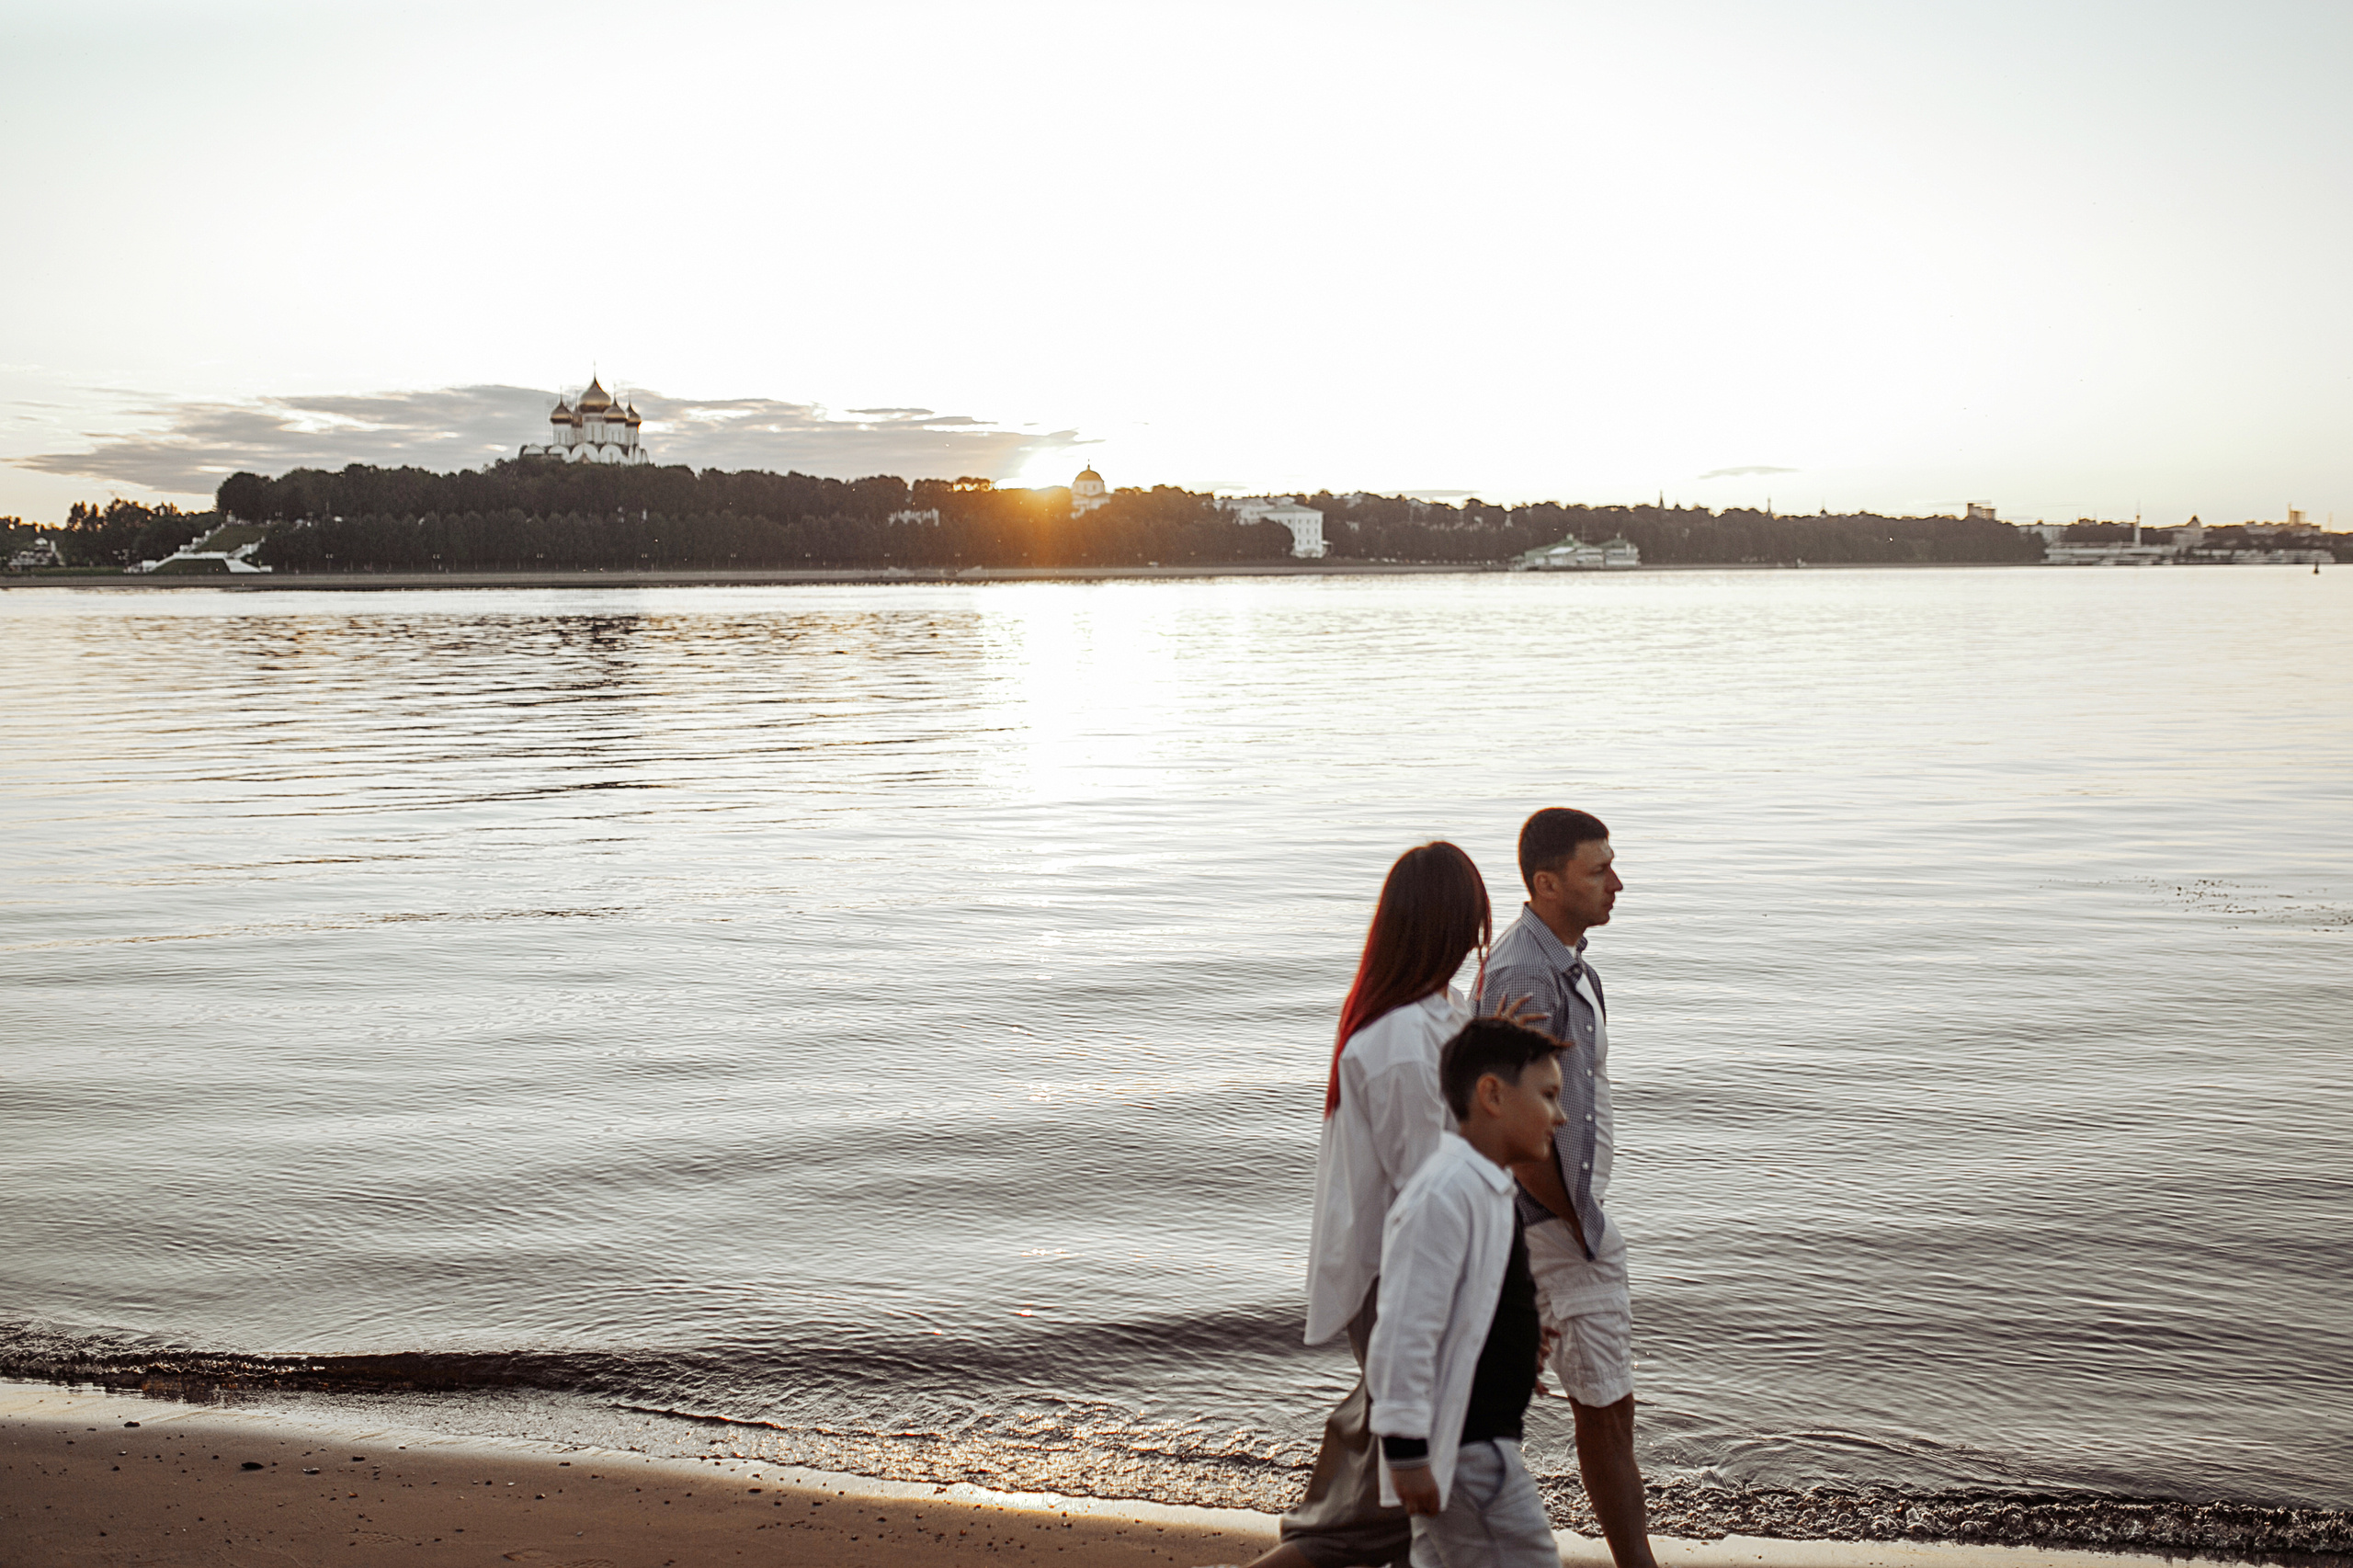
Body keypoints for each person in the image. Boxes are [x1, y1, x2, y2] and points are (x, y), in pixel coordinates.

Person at [1246, 841, 1495, 1568]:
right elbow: (1433, 1185)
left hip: (1414, 1282)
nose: (1480, 939)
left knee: (1400, 1499)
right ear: (1445, 926)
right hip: (1405, 1283)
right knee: (1379, 1517)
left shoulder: (1441, 1017)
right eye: (1473, 922)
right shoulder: (1396, 1043)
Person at [1475, 808, 1656, 1568]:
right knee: (1605, 1410)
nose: (1617, 882)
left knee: (1604, 1405)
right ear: (1547, 883)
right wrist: (1575, 1225)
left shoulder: (1570, 965)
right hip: (1553, 1223)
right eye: (1598, 870)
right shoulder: (1525, 971)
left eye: (1613, 865)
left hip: (1565, 1216)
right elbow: (1511, 1123)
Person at [1366, 1019, 1568, 1567]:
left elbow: (1470, 1304)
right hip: (1468, 1453)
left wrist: (1516, 1337)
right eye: (1548, 1095)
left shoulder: (1486, 1186)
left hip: (1474, 1445)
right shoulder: (1447, 1191)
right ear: (1492, 1094)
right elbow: (1406, 1325)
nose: (1560, 1114)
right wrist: (1405, 1450)